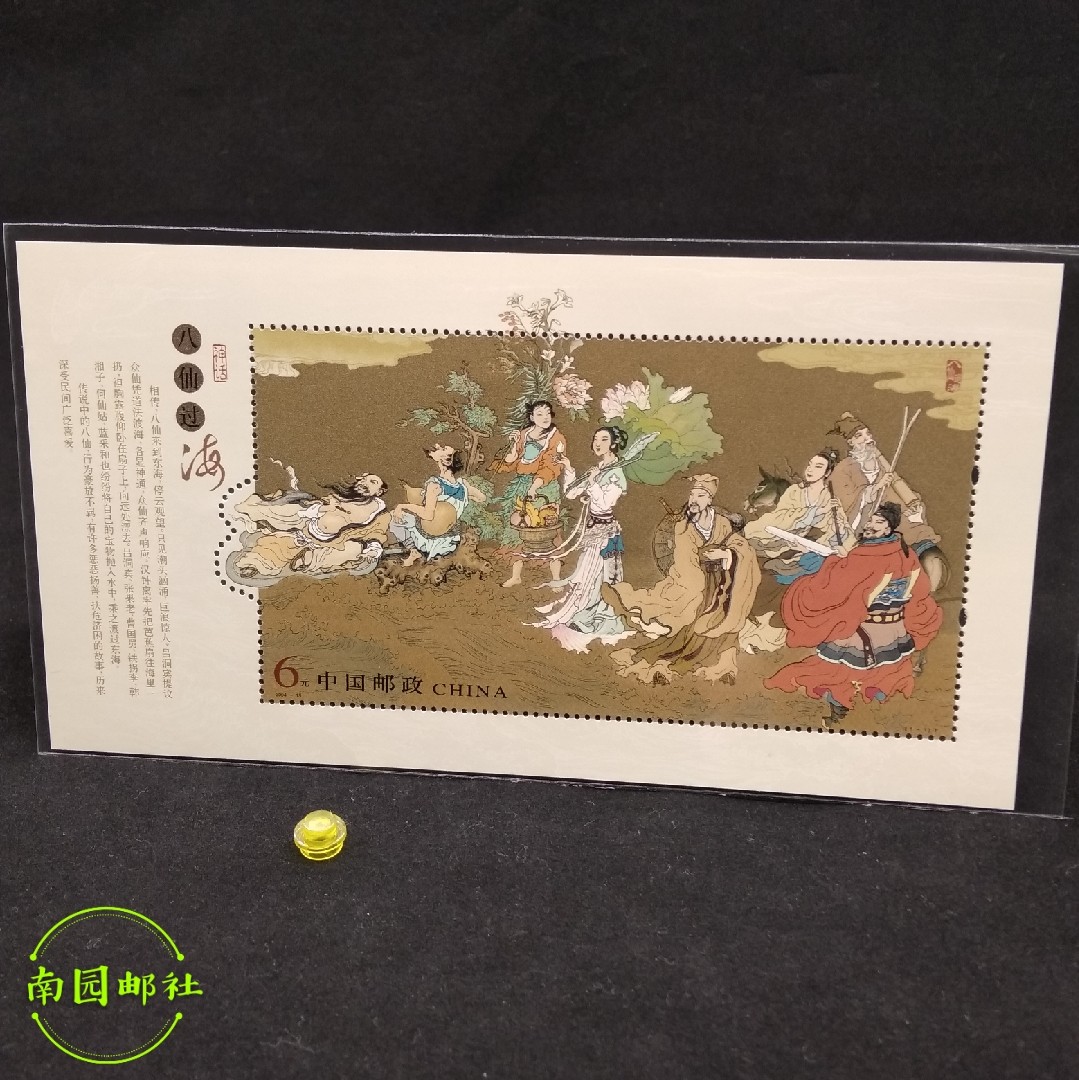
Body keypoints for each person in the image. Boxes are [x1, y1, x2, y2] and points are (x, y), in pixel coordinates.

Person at [763, 502, 943, 724]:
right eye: (870, 520)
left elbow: (834, 587)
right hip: (894, 629)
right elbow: (919, 589)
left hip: (863, 629)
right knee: (878, 669)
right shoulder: (905, 553)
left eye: (879, 522)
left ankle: (839, 707)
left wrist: (834, 562)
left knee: (834, 671)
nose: (870, 525)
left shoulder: (866, 555)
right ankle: (874, 691)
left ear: (889, 528)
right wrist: (846, 559)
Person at [608, 476, 761, 685]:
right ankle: (671, 664)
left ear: (710, 499)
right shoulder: (683, 528)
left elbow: (740, 546)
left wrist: (726, 554)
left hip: (723, 584)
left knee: (727, 620)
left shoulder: (722, 523)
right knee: (694, 624)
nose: (694, 500)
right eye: (692, 495)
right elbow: (685, 563)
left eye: (700, 495)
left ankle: (724, 665)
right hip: (699, 584)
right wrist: (702, 579)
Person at [532, 426, 635, 652]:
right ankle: (583, 612)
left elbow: (605, 503)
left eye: (604, 439)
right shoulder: (599, 469)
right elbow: (571, 493)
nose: (598, 443)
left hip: (605, 532)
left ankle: (597, 615)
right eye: (596, 439)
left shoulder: (616, 473)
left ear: (613, 444)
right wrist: (569, 468)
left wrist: (594, 483)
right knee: (584, 574)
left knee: (597, 575)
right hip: (593, 530)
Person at [232, 473, 391, 580]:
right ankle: (255, 564)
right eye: (364, 480)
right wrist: (320, 509)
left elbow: (377, 532)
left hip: (334, 543)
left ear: (380, 491)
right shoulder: (344, 496)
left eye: (373, 482)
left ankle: (307, 559)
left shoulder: (377, 512)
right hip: (307, 529)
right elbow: (320, 505)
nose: (365, 483)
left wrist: (373, 545)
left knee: (352, 550)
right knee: (277, 543)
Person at [828, 413, 941, 556]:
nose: (867, 439)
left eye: (868, 433)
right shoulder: (844, 468)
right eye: (859, 436)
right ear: (851, 442)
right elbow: (846, 502)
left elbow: (896, 493)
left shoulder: (880, 464)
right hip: (866, 521)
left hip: (891, 516)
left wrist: (912, 509)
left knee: (915, 529)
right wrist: (877, 486)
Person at [491, 400, 566, 588]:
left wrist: (534, 488)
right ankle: (516, 576)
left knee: (546, 529)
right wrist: (514, 444)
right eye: (539, 414)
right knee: (518, 528)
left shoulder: (556, 439)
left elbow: (551, 467)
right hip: (521, 486)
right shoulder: (524, 434)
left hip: (544, 487)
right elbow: (511, 461)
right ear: (532, 417)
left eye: (547, 413)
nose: (545, 417)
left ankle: (556, 578)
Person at [389, 444, 487, 566]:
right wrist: (467, 496)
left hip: (431, 539)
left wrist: (402, 506)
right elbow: (482, 498)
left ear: (446, 461)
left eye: (443, 449)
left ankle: (414, 551)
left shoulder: (435, 485)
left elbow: (428, 515)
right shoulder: (463, 486)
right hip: (450, 540)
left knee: (394, 517)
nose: (437, 446)